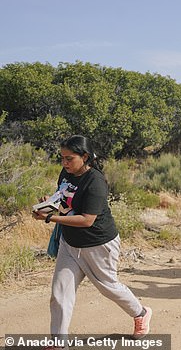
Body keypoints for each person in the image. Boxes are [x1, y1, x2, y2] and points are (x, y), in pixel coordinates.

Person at [32, 135, 151, 347]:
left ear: (85, 157)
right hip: (69, 244)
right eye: (62, 158)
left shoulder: (95, 181)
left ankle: (140, 313)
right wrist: (48, 205)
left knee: (108, 287)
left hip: (98, 244)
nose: (64, 163)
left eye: (69, 158)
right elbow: (63, 197)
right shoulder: (66, 173)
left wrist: (50, 218)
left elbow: (87, 220)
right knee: (60, 293)